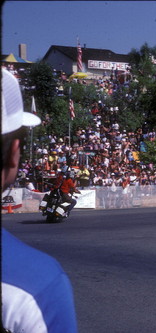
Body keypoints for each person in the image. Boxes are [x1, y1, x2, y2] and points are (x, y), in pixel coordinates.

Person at [1, 68, 78, 332]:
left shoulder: (68, 181)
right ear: (15, 152)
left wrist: (68, 192)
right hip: (56, 195)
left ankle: (61, 212)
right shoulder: (40, 282)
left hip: (63, 197)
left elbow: (69, 189)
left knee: (69, 201)